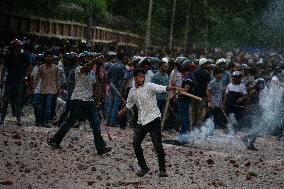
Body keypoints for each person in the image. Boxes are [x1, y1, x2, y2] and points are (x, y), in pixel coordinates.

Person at [118, 68, 177, 177]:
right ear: (134, 77)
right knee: (136, 144)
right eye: (140, 76)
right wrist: (120, 113)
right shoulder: (132, 91)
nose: (142, 78)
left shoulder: (149, 86)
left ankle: (162, 170)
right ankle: (144, 167)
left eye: (143, 76)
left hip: (153, 119)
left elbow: (162, 88)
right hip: (141, 121)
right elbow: (128, 105)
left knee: (157, 145)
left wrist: (172, 88)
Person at [47, 59, 111, 155]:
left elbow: (92, 88)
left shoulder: (93, 74)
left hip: (89, 101)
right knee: (70, 122)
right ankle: (55, 140)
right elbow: (86, 67)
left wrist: (97, 100)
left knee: (96, 123)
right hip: (78, 100)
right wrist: (95, 60)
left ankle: (100, 147)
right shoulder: (79, 69)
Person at [0, 39, 31, 126]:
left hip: (18, 79)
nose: (17, 48)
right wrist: (2, 79)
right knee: (6, 100)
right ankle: (2, 119)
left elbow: (29, 66)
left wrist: (26, 76)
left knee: (18, 100)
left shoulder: (24, 55)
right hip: (11, 79)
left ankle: (18, 119)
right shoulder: (8, 56)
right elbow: (4, 68)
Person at [34, 51, 61, 127]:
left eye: (50, 56)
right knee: (42, 106)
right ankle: (41, 121)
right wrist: (34, 88)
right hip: (43, 89)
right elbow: (37, 78)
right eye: (47, 56)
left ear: (52, 58)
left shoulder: (55, 68)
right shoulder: (41, 67)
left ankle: (46, 122)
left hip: (52, 90)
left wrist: (58, 89)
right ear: (44, 58)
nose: (48, 58)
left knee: (48, 106)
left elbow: (57, 79)